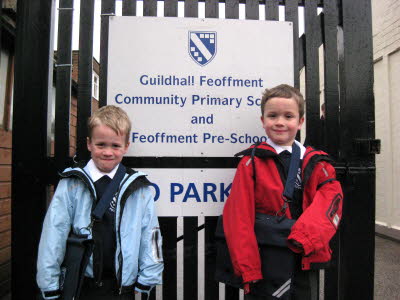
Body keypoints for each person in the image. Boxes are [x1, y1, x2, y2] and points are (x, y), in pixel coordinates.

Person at [222, 84, 343, 299]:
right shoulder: (251, 162)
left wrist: (304, 238)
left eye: (288, 116)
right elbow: (238, 217)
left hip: (304, 256)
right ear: (263, 121)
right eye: (272, 115)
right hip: (265, 258)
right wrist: (248, 268)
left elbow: (330, 203)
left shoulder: (317, 163)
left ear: (300, 121)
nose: (280, 122)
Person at [37, 105, 163, 299]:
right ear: (89, 144)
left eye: (115, 146)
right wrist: (49, 283)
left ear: (126, 146)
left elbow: (151, 234)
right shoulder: (72, 184)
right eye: (101, 144)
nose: (107, 152)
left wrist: (149, 276)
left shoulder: (139, 188)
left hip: (122, 288)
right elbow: (54, 233)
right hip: (82, 285)